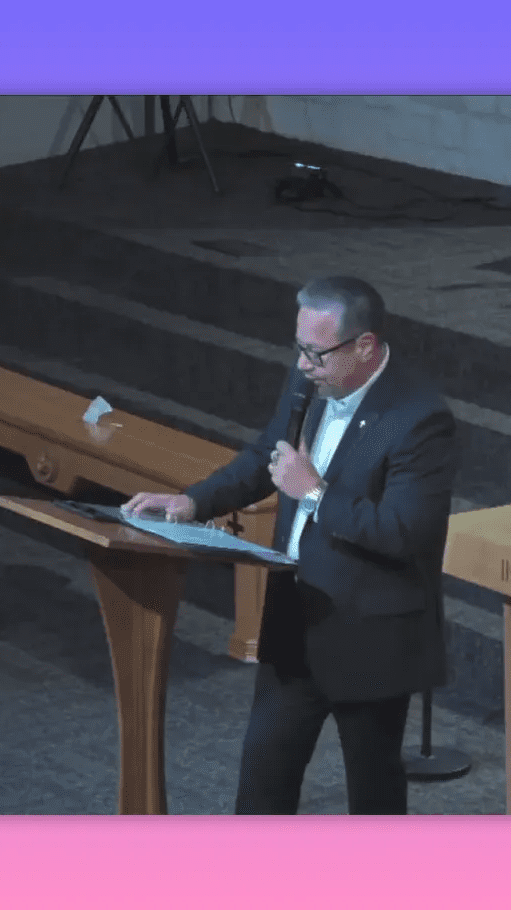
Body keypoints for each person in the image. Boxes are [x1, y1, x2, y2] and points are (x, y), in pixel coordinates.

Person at [123, 276, 457, 814]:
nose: (302, 365)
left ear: (365, 346)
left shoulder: (419, 420)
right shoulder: (314, 379)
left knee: (373, 802)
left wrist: (316, 492)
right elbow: (267, 457)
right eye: (297, 347)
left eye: (315, 353)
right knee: (261, 790)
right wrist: (193, 502)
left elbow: (404, 532)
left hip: (367, 636)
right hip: (294, 626)